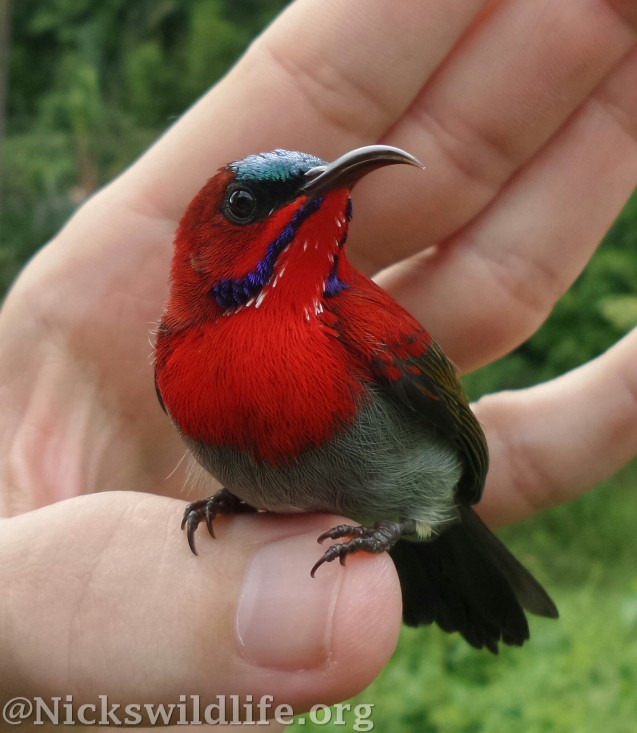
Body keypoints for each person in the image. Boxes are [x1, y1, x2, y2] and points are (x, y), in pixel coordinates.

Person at [1, 0, 636, 727]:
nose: (314, 196)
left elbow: (454, 431)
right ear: (199, 250)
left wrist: (397, 522)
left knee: (420, 544)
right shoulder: (176, 354)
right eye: (247, 205)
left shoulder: (366, 330)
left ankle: (417, 542)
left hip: (414, 498)